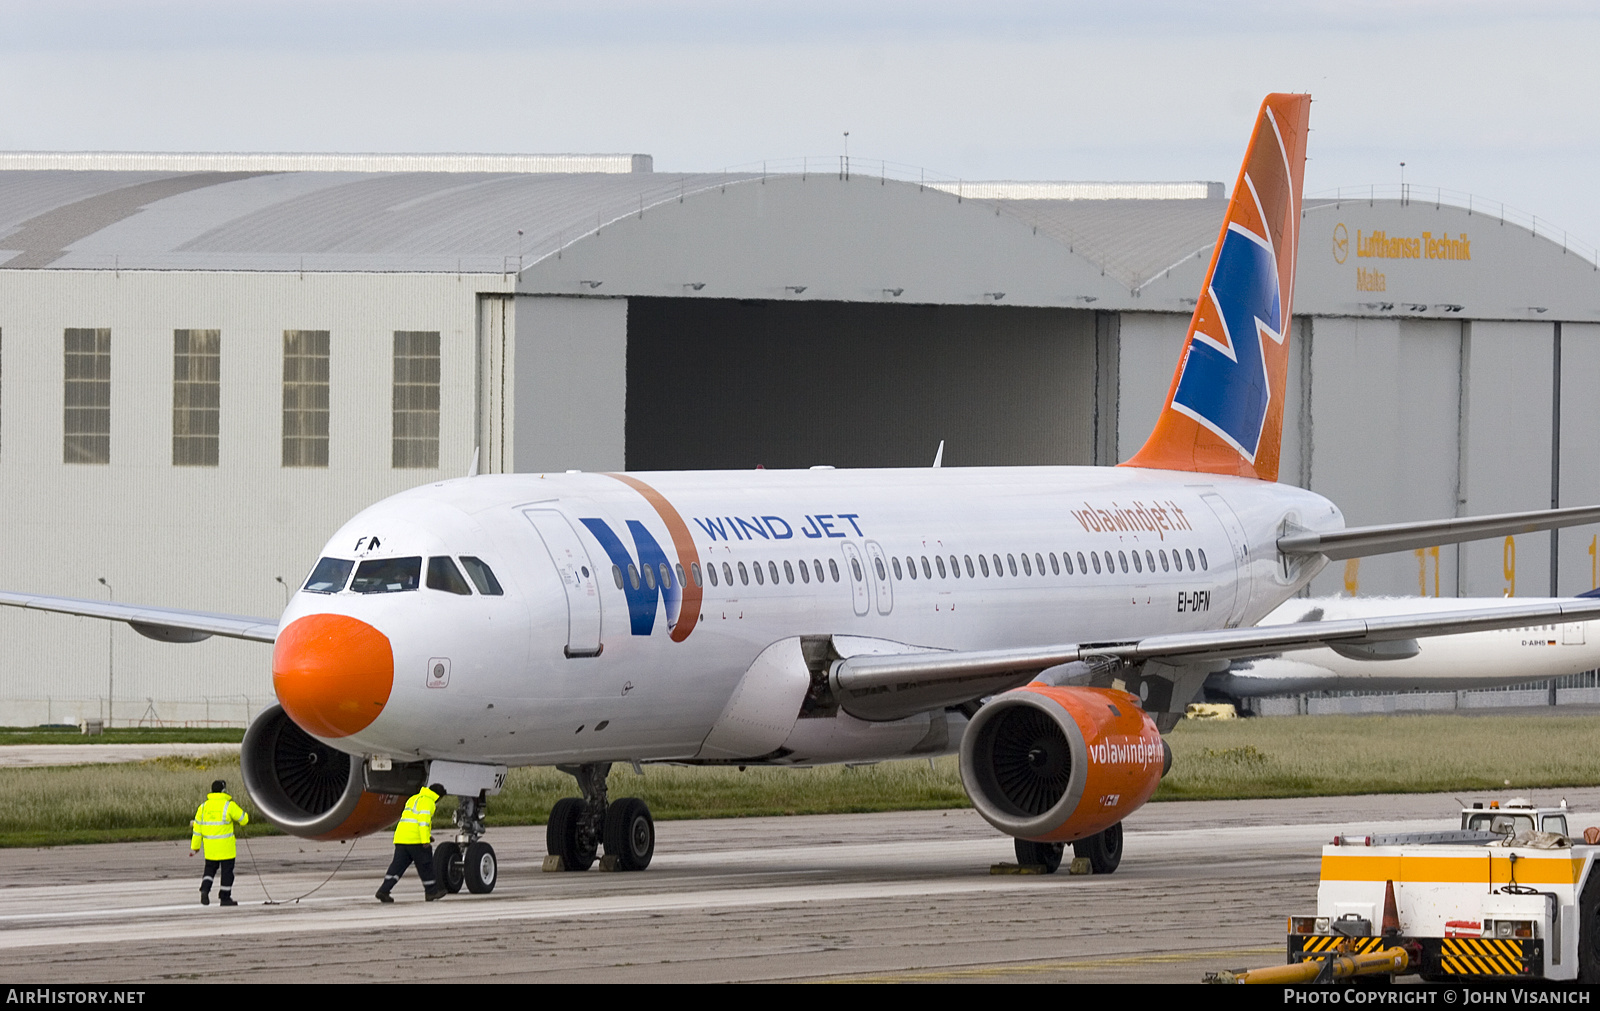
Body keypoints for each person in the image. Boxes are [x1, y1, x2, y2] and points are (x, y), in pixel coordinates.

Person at [376, 782, 447, 902]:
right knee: (426, 866)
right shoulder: (429, 802)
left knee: (397, 867)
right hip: (415, 840)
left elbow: (412, 820)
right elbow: (423, 822)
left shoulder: (413, 799)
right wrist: (425, 841)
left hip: (401, 838)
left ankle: (384, 890)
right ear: (438, 796)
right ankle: (431, 892)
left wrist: (428, 836)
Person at [190, 779, 249, 906]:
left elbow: (197, 829)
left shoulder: (203, 807)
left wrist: (195, 846)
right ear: (224, 790)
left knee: (209, 871)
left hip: (210, 849)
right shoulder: (228, 805)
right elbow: (244, 819)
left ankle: (205, 889)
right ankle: (225, 898)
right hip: (226, 848)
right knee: (227, 873)